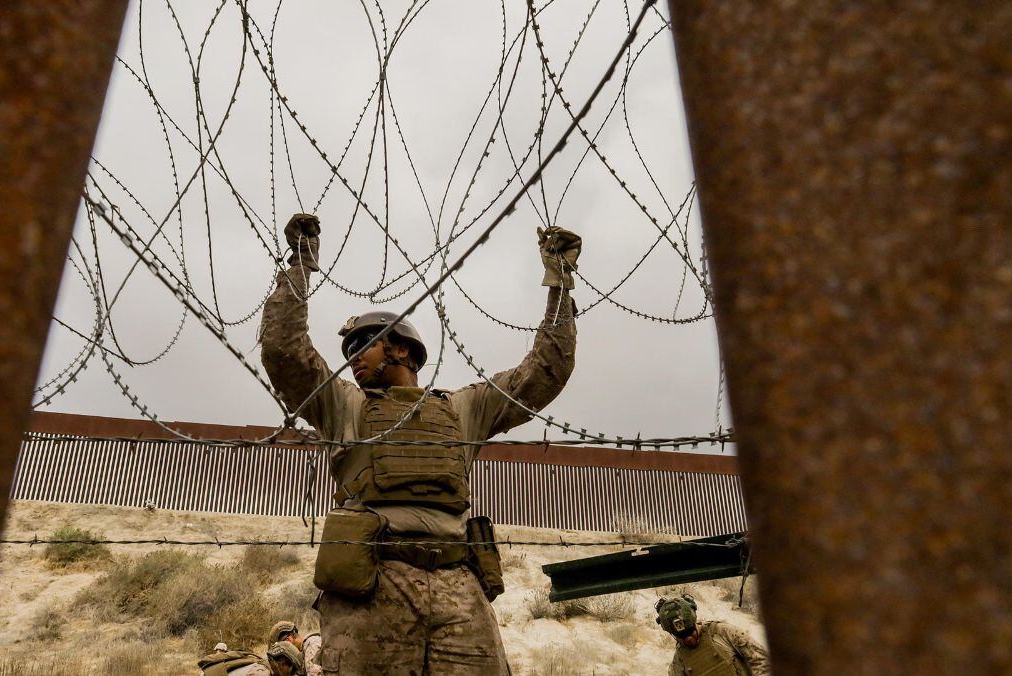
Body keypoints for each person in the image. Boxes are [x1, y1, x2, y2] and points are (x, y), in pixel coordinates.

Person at [260, 213, 581, 674]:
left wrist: (560, 285)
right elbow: (284, 353)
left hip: (458, 585)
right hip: (374, 584)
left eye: (362, 346)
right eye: (348, 351)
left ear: (401, 350)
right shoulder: (342, 405)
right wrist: (299, 266)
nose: (351, 359)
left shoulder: (463, 407)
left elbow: (543, 372)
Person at [656, 594, 770, 676]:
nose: (689, 639)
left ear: (695, 622)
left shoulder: (722, 633)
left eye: (690, 632)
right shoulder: (679, 662)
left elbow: (761, 661)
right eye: (681, 637)